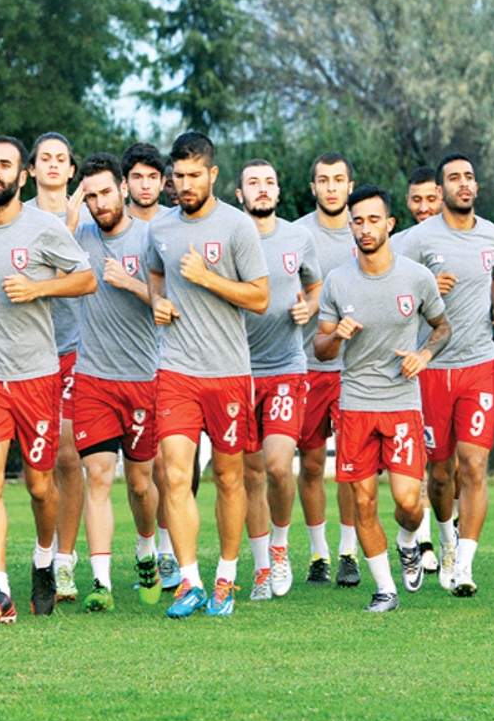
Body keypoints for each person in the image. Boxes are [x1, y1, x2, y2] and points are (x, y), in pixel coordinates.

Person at [0, 135, 96, 624]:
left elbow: (85, 278)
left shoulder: (44, 228)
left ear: (22, 176)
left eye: (5, 165)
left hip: (38, 373)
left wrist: (38, 288)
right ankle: (0, 589)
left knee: (39, 487)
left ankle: (43, 559)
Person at [147, 131, 269, 618]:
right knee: (175, 475)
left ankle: (226, 576)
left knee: (228, 476)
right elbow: (156, 273)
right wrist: (158, 301)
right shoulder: (161, 228)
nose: (185, 184)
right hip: (175, 369)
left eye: (194, 175)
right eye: (178, 176)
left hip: (229, 373)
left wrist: (207, 278)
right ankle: (189, 582)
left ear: (213, 174)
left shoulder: (238, 227)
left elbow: (259, 298)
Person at [314, 184, 450, 612]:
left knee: (410, 503)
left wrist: (423, 354)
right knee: (363, 500)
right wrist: (336, 334)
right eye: (358, 221)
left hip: (403, 404)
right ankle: (384, 589)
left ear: (390, 224)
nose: (365, 228)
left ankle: (408, 540)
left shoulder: (416, 277)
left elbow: (442, 327)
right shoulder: (337, 280)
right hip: (355, 405)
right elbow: (320, 348)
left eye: (374, 220)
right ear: (350, 227)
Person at [397, 154, 494, 596]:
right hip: (432, 368)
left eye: (468, 177)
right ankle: (444, 541)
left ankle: (463, 565)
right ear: (441, 188)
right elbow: (394, 284)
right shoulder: (419, 238)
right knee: (440, 474)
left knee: (475, 466)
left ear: (476, 186)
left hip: (480, 365)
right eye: (453, 178)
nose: (462, 184)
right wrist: (426, 284)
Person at [71, 153, 161, 612]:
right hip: (92, 379)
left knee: (142, 484)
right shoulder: (78, 235)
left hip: (144, 379)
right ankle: (101, 582)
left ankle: (147, 548)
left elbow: (169, 306)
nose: (99, 202)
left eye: (106, 192)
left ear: (123, 190)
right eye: (90, 195)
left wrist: (130, 283)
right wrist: (68, 213)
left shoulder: (151, 238)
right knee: (99, 477)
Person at [235, 160, 322, 600]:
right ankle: (262, 568)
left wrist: (310, 308)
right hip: (237, 370)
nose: (262, 189)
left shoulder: (298, 237)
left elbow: (316, 285)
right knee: (250, 475)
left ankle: (282, 547)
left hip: (287, 366)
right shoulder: (230, 236)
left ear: (279, 190)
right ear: (239, 194)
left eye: (269, 181)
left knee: (276, 465)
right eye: (253, 183)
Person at [24, 132, 89, 602]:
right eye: (44, 158)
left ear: (71, 170)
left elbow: (87, 280)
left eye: (60, 159)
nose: (52, 165)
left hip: (72, 350)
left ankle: (64, 562)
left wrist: (69, 227)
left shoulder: (87, 216)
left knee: (68, 455)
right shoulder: (16, 218)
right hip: (22, 356)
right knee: (33, 469)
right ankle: (36, 554)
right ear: (31, 169)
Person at [293, 152, 361, 587]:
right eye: (324, 180)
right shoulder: (295, 234)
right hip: (309, 365)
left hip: (358, 370)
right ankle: (318, 552)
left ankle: (348, 551)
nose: (332, 187)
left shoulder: (367, 230)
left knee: (353, 467)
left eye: (339, 180)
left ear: (350, 187)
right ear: (313, 187)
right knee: (313, 463)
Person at [121, 143, 181, 589]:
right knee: (135, 474)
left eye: (152, 178)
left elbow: (174, 303)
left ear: (164, 183)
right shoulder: (103, 225)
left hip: (169, 361)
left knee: (167, 466)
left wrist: (132, 285)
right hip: (116, 365)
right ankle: (148, 546)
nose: (144, 185)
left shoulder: (173, 229)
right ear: (125, 183)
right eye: (136, 177)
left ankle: (166, 550)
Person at [394, 165, 443, 573]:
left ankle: (451, 530)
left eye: (431, 198)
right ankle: (424, 540)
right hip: (415, 368)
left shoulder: (466, 236)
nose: (424, 207)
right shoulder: (397, 245)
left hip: (463, 363)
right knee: (424, 458)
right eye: (416, 199)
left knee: (458, 462)